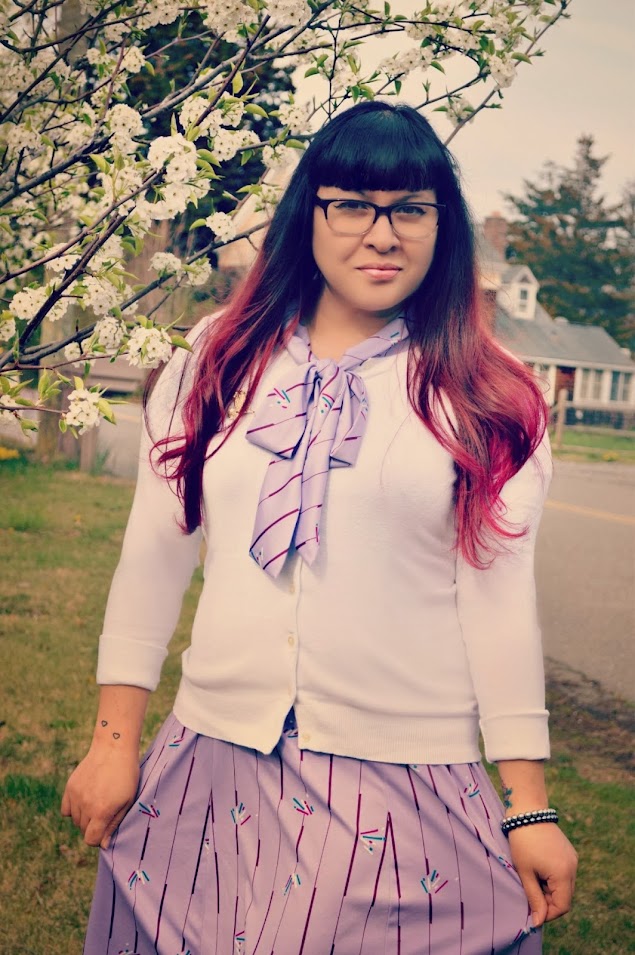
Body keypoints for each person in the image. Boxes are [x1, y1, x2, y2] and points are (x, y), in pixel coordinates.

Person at [62, 101, 577, 955]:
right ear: (309, 212)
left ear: (442, 226)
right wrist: (113, 742)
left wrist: (528, 805)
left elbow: (498, 605)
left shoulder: (490, 391)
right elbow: (153, 555)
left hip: (402, 779)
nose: (382, 235)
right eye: (352, 205)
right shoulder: (215, 357)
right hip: (209, 763)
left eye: (410, 210)